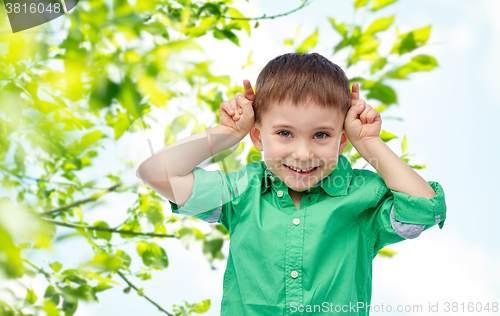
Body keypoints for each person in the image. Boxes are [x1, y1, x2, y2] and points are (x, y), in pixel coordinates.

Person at [136, 52, 447, 316]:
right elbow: (157, 173)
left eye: (322, 135)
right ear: (258, 136)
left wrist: (369, 142)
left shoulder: (362, 196)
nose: (303, 153)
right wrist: (226, 134)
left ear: (342, 141)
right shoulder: (243, 190)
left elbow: (424, 209)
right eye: (284, 133)